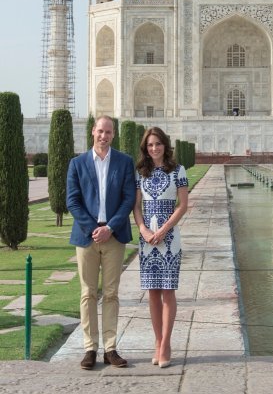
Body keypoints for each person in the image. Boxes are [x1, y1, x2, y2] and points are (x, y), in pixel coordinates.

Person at [66, 115, 136, 370]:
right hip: (87, 237)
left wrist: (110, 227)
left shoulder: (124, 162)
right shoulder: (77, 163)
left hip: (114, 235)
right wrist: (93, 228)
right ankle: (89, 349)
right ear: (92, 132)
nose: (103, 136)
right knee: (87, 293)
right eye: (100, 131)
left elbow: (128, 199)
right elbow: (73, 201)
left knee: (111, 293)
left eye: (108, 132)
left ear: (113, 135)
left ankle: (110, 348)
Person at [133, 126, 189, 368]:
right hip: (147, 241)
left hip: (169, 239)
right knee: (153, 293)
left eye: (158, 143)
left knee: (168, 291)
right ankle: (157, 342)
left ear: (165, 145)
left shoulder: (178, 171)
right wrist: (144, 231)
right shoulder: (140, 173)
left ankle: (166, 344)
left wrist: (163, 230)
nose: (154, 148)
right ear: (145, 148)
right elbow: (136, 207)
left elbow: (183, 205)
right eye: (150, 145)